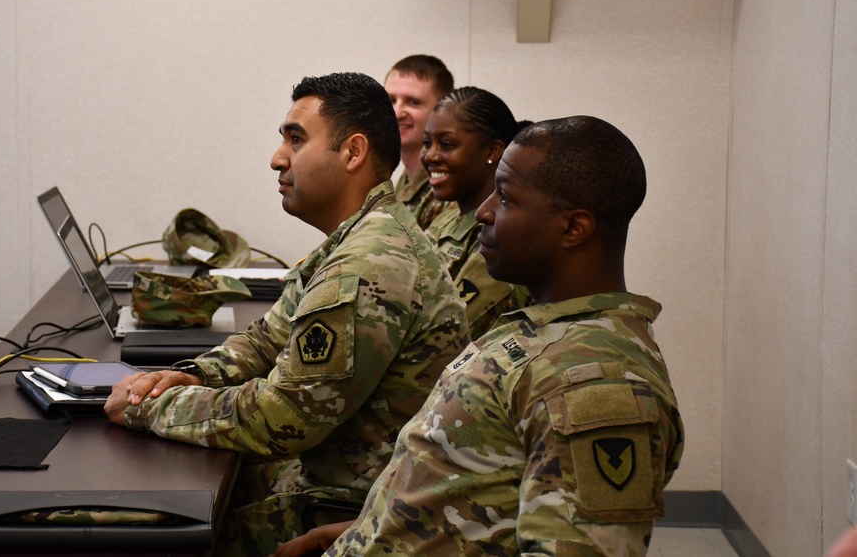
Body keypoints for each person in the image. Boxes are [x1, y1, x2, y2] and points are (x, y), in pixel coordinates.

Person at [276, 115, 684, 556]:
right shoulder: (547, 331)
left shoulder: (594, 382)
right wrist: (368, 527)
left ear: (573, 228)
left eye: (505, 197)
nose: (484, 211)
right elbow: (476, 490)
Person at [105, 72, 468, 557]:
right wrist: (187, 376)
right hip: (325, 481)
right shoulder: (356, 239)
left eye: (296, 140)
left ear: (353, 153)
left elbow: (285, 416)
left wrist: (145, 407)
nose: (277, 158)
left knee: (139, 535)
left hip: (347, 510)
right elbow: (264, 339)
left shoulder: (372, 260)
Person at [421, 86, 533, 339]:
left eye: (447, 144)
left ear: (492, 151)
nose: (430, 155)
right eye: (426, 142)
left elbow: (449, 337)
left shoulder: (502, 235)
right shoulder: (447, 219)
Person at [383, 54, 456, 230]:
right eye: (391, 100)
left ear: (442, 110)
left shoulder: (449, 188)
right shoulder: (403, 181)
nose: (397, 112)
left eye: (413, 102)